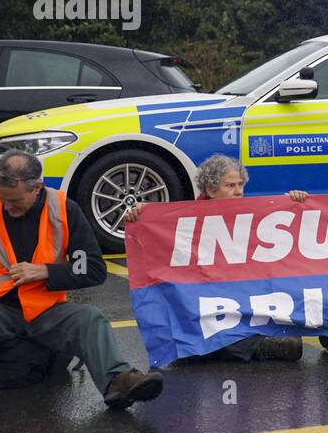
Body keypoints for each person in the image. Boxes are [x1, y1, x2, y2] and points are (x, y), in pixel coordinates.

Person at [0, 151, 163, 422]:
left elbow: (94, 269)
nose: (7, 206)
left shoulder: (64, 210)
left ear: (36, 188)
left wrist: (46, 271)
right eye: (1, 198)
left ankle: (118, 383)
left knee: (90, 319)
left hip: (46, 309)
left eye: (14, 201)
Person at [125, 153, 309, 360]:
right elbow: (158, 238)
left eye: (241, 185)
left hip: (249, 297)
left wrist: (295, 202)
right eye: (230, 186)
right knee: (197, 336)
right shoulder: (187, 220)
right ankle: (259, 346)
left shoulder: (253, 215)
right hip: (212, 303)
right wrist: (140, 215)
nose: (239, 192)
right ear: (211, 190)